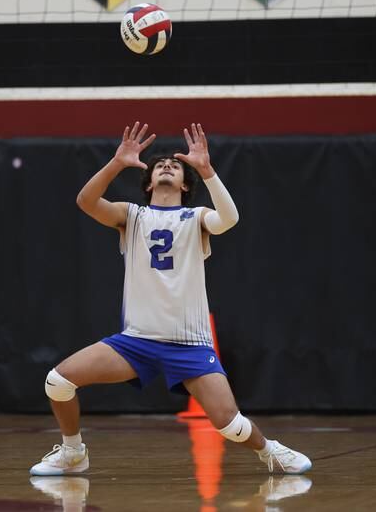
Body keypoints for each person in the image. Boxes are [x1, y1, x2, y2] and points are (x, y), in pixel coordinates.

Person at [30, 122, 311, 476]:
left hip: (189, 343)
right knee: (58, 381)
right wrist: (117, 162)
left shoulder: (196, 218)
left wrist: (207, 169)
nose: (166, 166)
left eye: (175, 166)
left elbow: (229, 218)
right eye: (160, 165)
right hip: (136, 342)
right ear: (148, 183)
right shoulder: (131, 215)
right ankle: (73, 453)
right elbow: (86, 201)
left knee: (229, 424)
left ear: (184, 184)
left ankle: (270, 451)